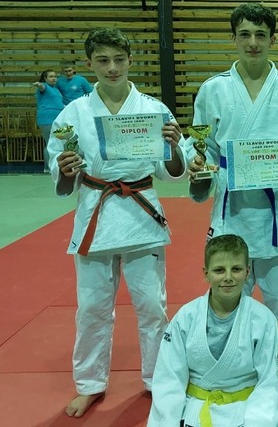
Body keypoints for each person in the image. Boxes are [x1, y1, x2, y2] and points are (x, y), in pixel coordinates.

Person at [47, 27, 186, 417]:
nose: (112, 68)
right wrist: (65, 168)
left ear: (130, 61)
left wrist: (174, 146)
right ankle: (89, 384)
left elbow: (171, 171)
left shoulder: (154, 109)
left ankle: (158, 379)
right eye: (103, 60)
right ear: (89, 63)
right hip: (97, 209)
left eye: (119, 60)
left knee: (153, 306)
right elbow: (59, 168)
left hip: (141, 213)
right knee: (92, 306)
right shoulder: (73, 113)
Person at [186, 3, 278, 322]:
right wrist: (199, 165)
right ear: (233, 38)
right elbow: (205, 145)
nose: (253, 43)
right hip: (233, 211)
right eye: (245, 34)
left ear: (272, 40)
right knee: (229, 302)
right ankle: (235, 355)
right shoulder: (213, 89)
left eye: (261, 35)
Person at [148, 235, 278, 427]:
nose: (228, 277)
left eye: (236, 269)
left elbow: (270, 383)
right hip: (195, 410)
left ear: (247, 272)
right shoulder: (186, 317)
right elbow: (169, 378)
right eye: (219, 270)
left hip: (245, 411)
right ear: (206, 274)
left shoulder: (263, 320)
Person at [33, 69, 64, 172]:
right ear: (45, 78)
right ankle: (48, 167)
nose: (54, 78)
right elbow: (42, 87)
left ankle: (53, 166)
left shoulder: (56, 90)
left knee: (57, 143)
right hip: (47, 119)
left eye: (55, 76)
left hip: (57, 119)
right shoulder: (44, 87)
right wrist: (39, 84)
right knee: (50, 142)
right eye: (51, 76)